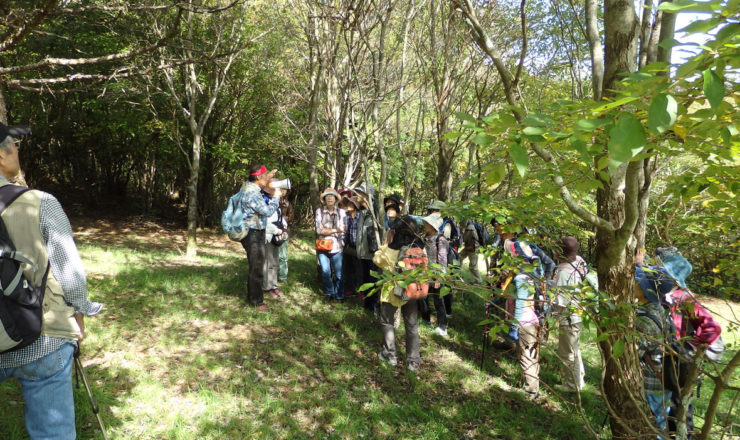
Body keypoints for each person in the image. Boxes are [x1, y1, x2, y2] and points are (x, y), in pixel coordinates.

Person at [0, 122, 103, 440]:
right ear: (1, 155)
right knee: (52, 433)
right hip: (43, 335)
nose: (18, 150)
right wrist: (79, 317)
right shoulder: (39, 203)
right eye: (14, 144)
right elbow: (69, 273)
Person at [377, 216, 425, 372]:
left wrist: (386, 242)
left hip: (391, 291)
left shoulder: (391, 249)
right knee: (411, 325)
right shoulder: (419, 249)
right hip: (411, 290)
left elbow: (377, 260)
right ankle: (413, 361)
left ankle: (390, 355)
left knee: (387, 321)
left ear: (395, 231)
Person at [502, 238, 545, 399]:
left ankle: (532, 390)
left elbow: (520, 303)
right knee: (526, 354)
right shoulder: (530, 273)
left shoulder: (521, 278)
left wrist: (514, 326)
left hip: (524, 322)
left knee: (527, 356)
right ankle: (531, 384)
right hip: (531, 321)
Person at [240, 164, 281, 310]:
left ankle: (252, 296)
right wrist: (276, 198)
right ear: (258, 177)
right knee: (257, 268)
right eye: (264, 177)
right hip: (253, 234)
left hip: (254, 232)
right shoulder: (252, 193)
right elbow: (267, 211)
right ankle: (256, 301)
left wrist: (268, 176)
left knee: (255, 265)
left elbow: (260, 181)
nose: (267, 180)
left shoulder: (248, 187)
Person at [552, 236, 588, 392]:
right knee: (574, 348)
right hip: (579, 312)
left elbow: (561, 301)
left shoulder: (562, 272)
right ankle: (579, 378)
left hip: (569, 316)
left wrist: (554, 315)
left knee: (567, 352)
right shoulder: (579, 261)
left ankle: (573, 385)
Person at [420, 213, 450, 337]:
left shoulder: (440, 240)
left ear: (433, 226)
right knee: (422, 297)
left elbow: (442, 260)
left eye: (427, 223)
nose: (425, 225)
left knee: (438, 300)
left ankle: (443, 327)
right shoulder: (426, 237)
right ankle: (426, 319)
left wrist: (439, 277)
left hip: (436, 275)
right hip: (425, 273)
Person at [315, 188, 346, 300]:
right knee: (325, 272)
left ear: (336, 199)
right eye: (327, 196)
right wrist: (336, 230)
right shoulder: (319, 211)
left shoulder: (341, 212)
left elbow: (343, 229)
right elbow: (319, 230)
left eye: (332, 196)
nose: (329, 198)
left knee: (339, 274)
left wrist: (328, 230)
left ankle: (339, 295)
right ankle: (330, 293)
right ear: (324, 199)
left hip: (337, 247)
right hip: (323, 246)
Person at [354, 184, 380, 314]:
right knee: (365, 281)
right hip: (363, 254)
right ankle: (367, 307)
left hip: (373, 255)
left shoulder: (376, 212)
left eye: (359, 193)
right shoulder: (362, 212)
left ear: (366, 196)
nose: (356, 195)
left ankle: (373, 308)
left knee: (373, 282)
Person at [262, 188, 287, 299]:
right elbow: (263, 220)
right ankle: (267, 288)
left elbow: (279, 217)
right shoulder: (263, 201)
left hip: (276, 236)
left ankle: (274, 285)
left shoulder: (274, 202)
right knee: (268, 263)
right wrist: (276, 230)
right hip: (267, 236)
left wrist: (284, 225)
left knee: (275, 262)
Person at [341, 196, 362, 297]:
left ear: (355, 206)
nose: (348, 205)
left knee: (358, 270)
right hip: (347, 247)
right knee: (347, 268)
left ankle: (359, 290)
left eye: (351, 204)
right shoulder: (345, 216)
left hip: (357, 247)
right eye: (348, 203)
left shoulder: (360, 217)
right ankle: (349, 289)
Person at [277, 189, 294, 283]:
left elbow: (291, 218)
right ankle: (271, 275)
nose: (282, 191)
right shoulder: (270, 201)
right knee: (271, 255)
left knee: (283, 256)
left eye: (284, 190)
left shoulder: (287, 204)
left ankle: (283, 276)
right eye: (281, 189)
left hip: (284, 231)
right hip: (270, 231)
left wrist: (282, 219)